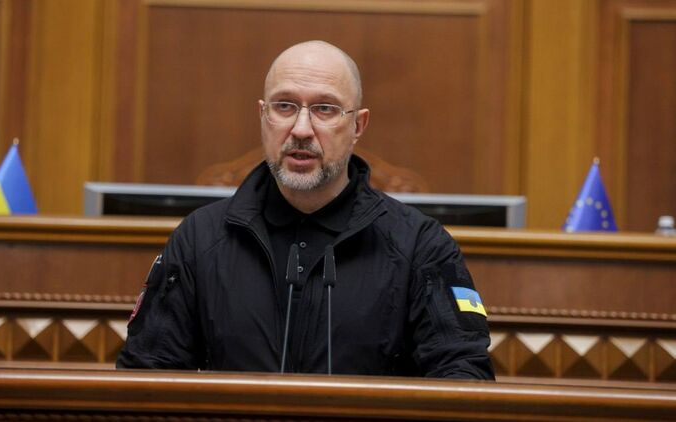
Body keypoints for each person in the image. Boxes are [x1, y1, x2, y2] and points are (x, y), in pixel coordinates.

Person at [117, 40, 494, 379]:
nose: (301, 129)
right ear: (263, 115)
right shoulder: (200, 239)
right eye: (284, 106)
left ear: (358, 125)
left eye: (324, 109)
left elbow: (464, 378)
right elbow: (145, 378)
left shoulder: (420, 246)